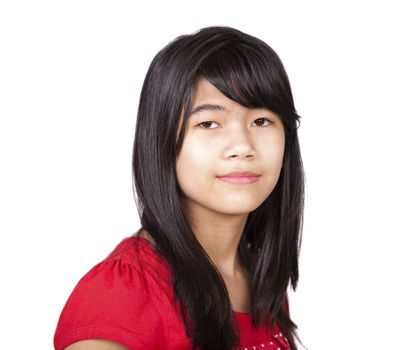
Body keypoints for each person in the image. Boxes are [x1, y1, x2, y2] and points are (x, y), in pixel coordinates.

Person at [53, 25, 306, 350]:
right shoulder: (122, 296)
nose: (242, 146)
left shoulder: (259, 277)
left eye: (261, 121)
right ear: (162, 142)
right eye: (208, 123)